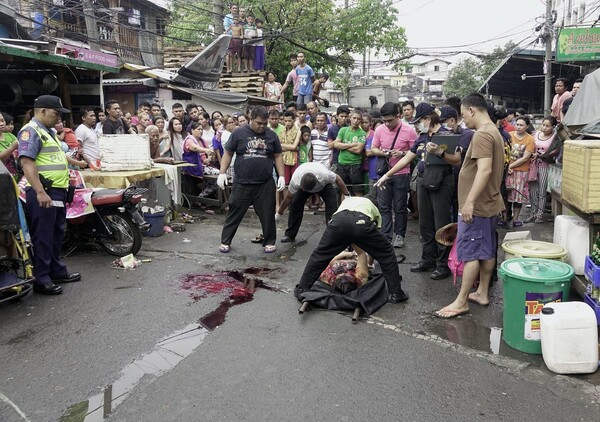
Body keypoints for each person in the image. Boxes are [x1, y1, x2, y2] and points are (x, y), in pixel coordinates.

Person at [434, 93, 506, 318]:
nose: (464, 120)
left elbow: (484, 170)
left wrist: (469, 203)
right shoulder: (493, 131)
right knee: (486, 249)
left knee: (471, 252)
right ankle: (482, 292)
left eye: (464, 115)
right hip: (490, 202)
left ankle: (461, 301)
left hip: (478, 206)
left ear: (472, 110)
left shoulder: (483, 134)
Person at [376, 103, 461, 280]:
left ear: (428, 119)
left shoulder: (447, 135)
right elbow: (408, 157)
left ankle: (442, 263)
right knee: (425, 223)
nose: (416, 125)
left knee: (442, 224)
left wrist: (439, 152)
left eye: (418, 121)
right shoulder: (423, 136)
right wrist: (387, 175)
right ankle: (427, 258)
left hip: (442, 182)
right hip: (423, 180)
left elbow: (456, 160)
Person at [18, 95, 82, 295]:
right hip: (43, 191)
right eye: (56, 114)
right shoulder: (30, 131)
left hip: (57, 190)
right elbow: (27, 162)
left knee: (56, 232)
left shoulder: (49, 131)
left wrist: (81, 164)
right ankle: (42, 278)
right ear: (43, 111)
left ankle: (56, 270)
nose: (59, 119)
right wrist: (39, 191)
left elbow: (58, 156)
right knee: (43, 235)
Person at [294, 196, 408, 304]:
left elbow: (340, 221)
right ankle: (396, 293)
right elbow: (376, 244)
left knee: (320, 255)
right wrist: (370, 263)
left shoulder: (348, 201)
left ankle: (302, 288)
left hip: (338, 223)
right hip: (361, 223)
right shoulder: (374, 209)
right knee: (387, 254)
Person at [216, 106, 285, 254]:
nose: (262, 126)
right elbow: (228, 153)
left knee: (267, 214)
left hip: (265, 183)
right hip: (242, 182)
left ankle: (269, 241)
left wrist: (282, 176)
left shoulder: (271, 135)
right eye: (259, 123)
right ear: (251, 119)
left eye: (264, 124)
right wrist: (222, 173)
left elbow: (278, 155)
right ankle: (225, 241)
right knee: (234, 212)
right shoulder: (238, 133)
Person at [370, 102, 418, 248]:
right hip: (383, 172)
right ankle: (386, 235)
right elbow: (373, 148)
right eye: (384, 120)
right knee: (384, 207)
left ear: (398, 116)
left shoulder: (409, 130)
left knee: (400, 207)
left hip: (401, 174)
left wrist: (402, 153)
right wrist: (383, 152)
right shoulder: (379, 130)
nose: (387, 124)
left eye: (390, 120)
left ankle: (399, 235)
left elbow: (415, 152)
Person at [280, 161, 351, 242]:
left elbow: (338, 179)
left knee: (332, 207)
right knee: (295, 205)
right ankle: (290, 235)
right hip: (304, 184)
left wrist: (347, 195)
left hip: (324, 186)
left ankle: (332, 236)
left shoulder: (325, 175)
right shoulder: (296, 179)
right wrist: (279, 213)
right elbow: (288, 198)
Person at [525, 116, 557, 223]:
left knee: (542, 192)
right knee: (533, 190)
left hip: (545, 166)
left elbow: (554, 153)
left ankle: (539, 215)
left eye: (547, 126)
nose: (544, 128)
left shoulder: (554, 138)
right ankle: (532, 213)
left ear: (553, 127)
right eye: (543, 125)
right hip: (533, 165)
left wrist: (540, 155)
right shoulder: (535, 134)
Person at [505, 115, 535, 227]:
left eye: (521, 125)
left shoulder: (530, 139)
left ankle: (515, 219)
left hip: (521, 172)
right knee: (506, 196)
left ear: (527, 126)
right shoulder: (509, 135)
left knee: (518, 198)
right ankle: (505, 218)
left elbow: (526, 157)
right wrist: (507, 167)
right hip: (508, 171)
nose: (518, 127)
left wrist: (510, 166)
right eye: (517, 124)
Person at [334, 110, 366, 196]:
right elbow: (336, 144)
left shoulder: (362, 133)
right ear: (350, 118)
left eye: (358, 119)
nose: (356, 121)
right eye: (354, 118)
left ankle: (360, 209)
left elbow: (358, 150)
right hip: (342, 164)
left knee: (358, 190)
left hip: (355, 166)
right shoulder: (343, 130)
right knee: (342, 190)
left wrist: (343, 146)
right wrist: (352, 144)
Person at [0, 113, 19, 177]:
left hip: (15, 176)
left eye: (2, 120)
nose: (1, 124)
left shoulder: (9, 135)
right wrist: (12, 147)